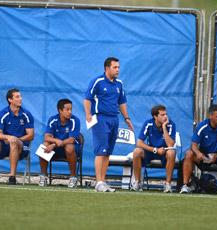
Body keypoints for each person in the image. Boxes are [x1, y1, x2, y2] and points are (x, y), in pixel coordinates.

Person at [84, 57, 133, 192]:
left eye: (118, 67)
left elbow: (121, 102)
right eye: (115, 67)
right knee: (101, 150)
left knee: (107, 152)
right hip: (101, 119)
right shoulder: (98, 81)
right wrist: (88, 114)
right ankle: (98, 182)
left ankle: (103, 181)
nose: (118, 70)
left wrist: (127, 118)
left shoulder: (119, 84)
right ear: (107, 68)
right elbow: (87, 98)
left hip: (114, 119)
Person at [180, 104, 217, 196]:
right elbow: (194, 144)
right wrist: (198, 153)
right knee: (189, 153)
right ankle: (185, 185)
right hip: (204, 156)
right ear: (210, 116)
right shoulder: (202, 126)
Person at [0, 88, 34, 185]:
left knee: (14, 142)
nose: (20, 99)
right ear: (10, 100)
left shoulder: (26, 114)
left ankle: (12, 177)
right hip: (5, 145)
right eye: (17, 97)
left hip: (22, 146)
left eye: (20, 97)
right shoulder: (3, 114)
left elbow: (31, 135)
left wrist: (15, 139)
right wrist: (8, 137)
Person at [131, 105, 176, 192]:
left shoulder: (170, 124)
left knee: (171, 152)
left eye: (166, 114)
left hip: (165, 152)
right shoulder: (149, 123)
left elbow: (170, 144)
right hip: (152, 151)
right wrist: (155, 150)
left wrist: (164, 127)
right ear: (155, 116)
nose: (165, 116)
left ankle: (168, 184)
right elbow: (139, 142)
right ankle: (137, 183)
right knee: (137, 152)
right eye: (162, 115)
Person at [39, 99, 81, 188]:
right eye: (67, 109)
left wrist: (54, 144)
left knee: (69, 147)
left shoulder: (75, 120)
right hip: (56, 149)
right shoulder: (52, 120)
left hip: (71, 149)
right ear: (60, 110)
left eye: (71, 109)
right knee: (44, 146)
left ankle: (73, 177)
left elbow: (71, 140)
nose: (70, 112)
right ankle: (43, 176)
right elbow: (47, 137)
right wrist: (54, 143)